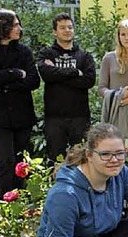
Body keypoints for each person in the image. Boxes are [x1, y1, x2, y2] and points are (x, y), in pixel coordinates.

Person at [0, 9, 39, 200]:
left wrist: (3, 79)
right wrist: (16, 74)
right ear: (3, 27)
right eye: (15, 25)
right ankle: (1, 204)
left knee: (21, 162)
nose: (20, 28)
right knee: (6, 160)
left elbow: (34, 81)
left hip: (22, 114)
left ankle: (18, 202)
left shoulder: (23, 51)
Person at [37, 12, 96, 162]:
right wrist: (75, 72)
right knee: (55, 160)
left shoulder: (84, 56)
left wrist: (57, 75)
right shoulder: (46, 53)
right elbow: (46, 75)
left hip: (80, 116)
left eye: (70, 27)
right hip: (54, 117)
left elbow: (88, 81)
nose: (67, 30)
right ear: (54, 32)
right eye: (62, 27)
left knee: (82, 159)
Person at [99, 19, 128, 148]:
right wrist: (119, 96)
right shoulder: (109, 58)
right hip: (114, 113)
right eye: (123, 34)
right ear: (118, 37)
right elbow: (101, 88)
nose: (126, 38)